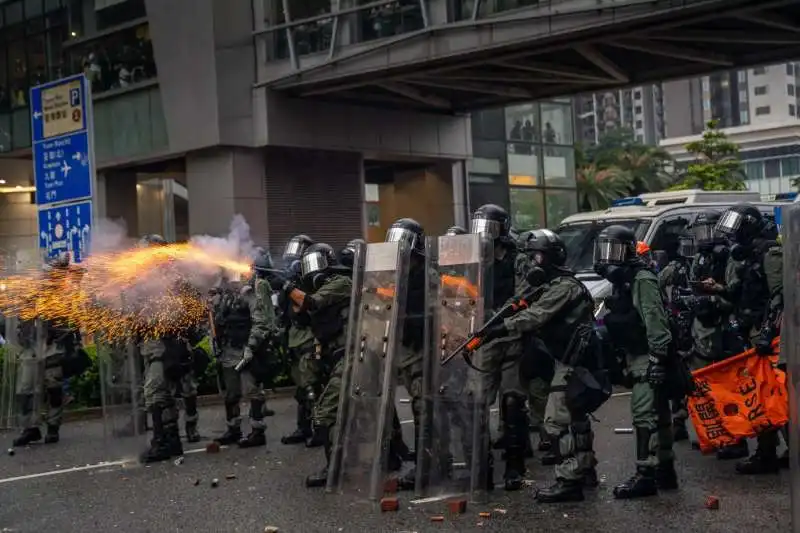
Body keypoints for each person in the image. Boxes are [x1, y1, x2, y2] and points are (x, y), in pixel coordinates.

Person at [481, 229, 597, 502]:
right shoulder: (550, 284)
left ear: (552, 257)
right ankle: (585, 470)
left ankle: (569, 481)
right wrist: (497, 318)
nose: (533, 263)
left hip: (574, 361)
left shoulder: (564, 287)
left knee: (556, 421)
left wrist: (502, 328)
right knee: (577, 418)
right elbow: (520, 302)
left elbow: (535, 315)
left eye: (538, 257)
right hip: (568, 358)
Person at [594, 225, 677, 499]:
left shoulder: (641, 279)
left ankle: (646, 474)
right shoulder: (624, 281)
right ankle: (665, 470)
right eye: (604, 250)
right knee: (659, 414)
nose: (608, 257)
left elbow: (655, 322)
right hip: (637, 353)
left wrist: (656, 360)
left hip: (647, 355)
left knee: (645, 414)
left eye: (614, 250)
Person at [468, 204, 545, 490]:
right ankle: (481, 467)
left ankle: (515, 466)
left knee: (513, 400)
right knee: (476, 402)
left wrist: (514, 322)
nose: (483, 234)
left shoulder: (518, 260)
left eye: (489, 227)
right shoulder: (472, 258)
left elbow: (532, 294)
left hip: (512, 336)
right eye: (479, 226)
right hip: (482, 338)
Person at [270, 243, 353, 488]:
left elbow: (312, 303)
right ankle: (344, 465)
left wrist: (288, 286)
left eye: (314, 263)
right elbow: (302, 315)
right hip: (333, 358)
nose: (311, 270)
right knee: (336, 413)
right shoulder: (318, 287)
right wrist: (286, 288)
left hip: (349, 356)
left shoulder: (341, 282)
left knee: (326, 412)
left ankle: (336, 468)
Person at [712, 204, 781, 474]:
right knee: (762, 394)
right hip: (752, 329)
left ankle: (771, 453)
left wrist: (767, 331)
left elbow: (780, 295)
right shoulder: (751, 256)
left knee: (770, 394)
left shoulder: (770, 253)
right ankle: (769, 451)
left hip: (768, 336)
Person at [12, 255, 82, 447]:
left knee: (54, 389)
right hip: (31, 348)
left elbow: (72, 320)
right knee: (26, 391)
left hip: (52, 347)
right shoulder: (31, 294)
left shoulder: (63, 294)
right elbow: (20, 319)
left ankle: (53, 427)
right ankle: (30, 428)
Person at [211, 251, 277, 449]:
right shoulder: (226, 291)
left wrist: (252, 348)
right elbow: (219, 320)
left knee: (252, 390)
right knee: (230, 393)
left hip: (247, 347)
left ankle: (258, 431)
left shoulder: (256, 287)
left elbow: (261, 321)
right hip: (229, 349)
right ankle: (233, 429)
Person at [137, 234, 192, 463]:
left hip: (164, 346)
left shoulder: (170, 278)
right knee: (162, 396)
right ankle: (172, 441)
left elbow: (174, 313)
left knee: (155, 395)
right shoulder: (153, 278)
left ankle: (162, 442)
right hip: (155, 347)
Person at [279, 235, 325, 447]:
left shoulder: (314, 279)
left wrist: (292, 286)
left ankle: (319, 429)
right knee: (300, 387)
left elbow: (309, 308)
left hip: (309, 338)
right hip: (294, 340)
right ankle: (303, 427)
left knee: (312, 387)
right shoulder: (292, 280)